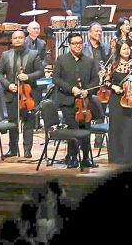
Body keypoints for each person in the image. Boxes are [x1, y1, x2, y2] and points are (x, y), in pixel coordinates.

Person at [50, 33, 98, 168]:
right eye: (74, 43)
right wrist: (72, 89)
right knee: (73, 130)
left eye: (80, 43)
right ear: (69, 45)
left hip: (85, 103)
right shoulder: (61, 59)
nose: (78, 45)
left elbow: (95, 80)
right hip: (68, 101)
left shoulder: (89, 61)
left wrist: (87, 90)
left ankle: (86, 158)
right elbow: (56, 79)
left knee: (85, 129)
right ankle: (72, 157)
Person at [0, 29, 41, 159]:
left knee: (28, 122)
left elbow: (40, 72)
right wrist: (8, 85)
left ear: (25, 39)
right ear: (12, 40)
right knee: (13, 123)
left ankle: (27, 149)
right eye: (15, 38)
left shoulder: (33, 54)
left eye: (20, 38)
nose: (18, 40)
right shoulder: (5, 55)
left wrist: (28, 76)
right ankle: (13, 149)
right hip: (12, 93)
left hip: (28, 95)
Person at [105, 41, 132, 165]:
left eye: (128, 48)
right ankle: (117, 156)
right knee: (116, 126)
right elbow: (105, 82)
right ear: (119, 51)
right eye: (124, 49)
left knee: (130, 126)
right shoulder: (113, 65)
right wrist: (114, 87)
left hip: (131, 98)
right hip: (116, 100)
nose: (127, 51)